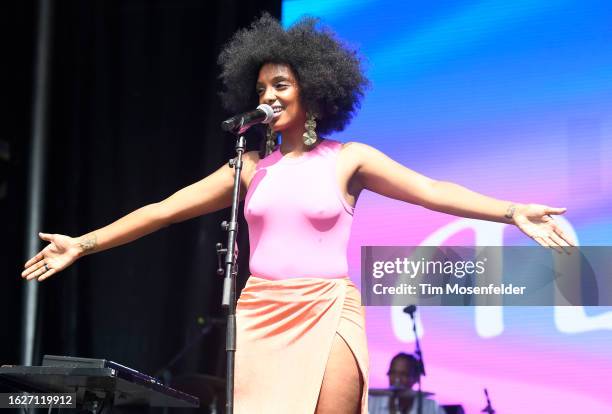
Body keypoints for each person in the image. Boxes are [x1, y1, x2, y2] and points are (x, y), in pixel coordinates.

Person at [21, 14, 575, 414]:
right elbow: (163, 210)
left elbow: (430, 188)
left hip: (327, 309)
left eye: (280, 85)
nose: (268, 96)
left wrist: (512, 211)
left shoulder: (349, 159)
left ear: (313, 90)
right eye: (260, 88)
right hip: (261, 313)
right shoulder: (248, 166)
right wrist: (84, 242)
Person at [369, 353, 446, 414]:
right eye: (393, 373)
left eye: (403, 374)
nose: (397, 379)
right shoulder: (371, 404)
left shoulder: (431, 407)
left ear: (416, 378)